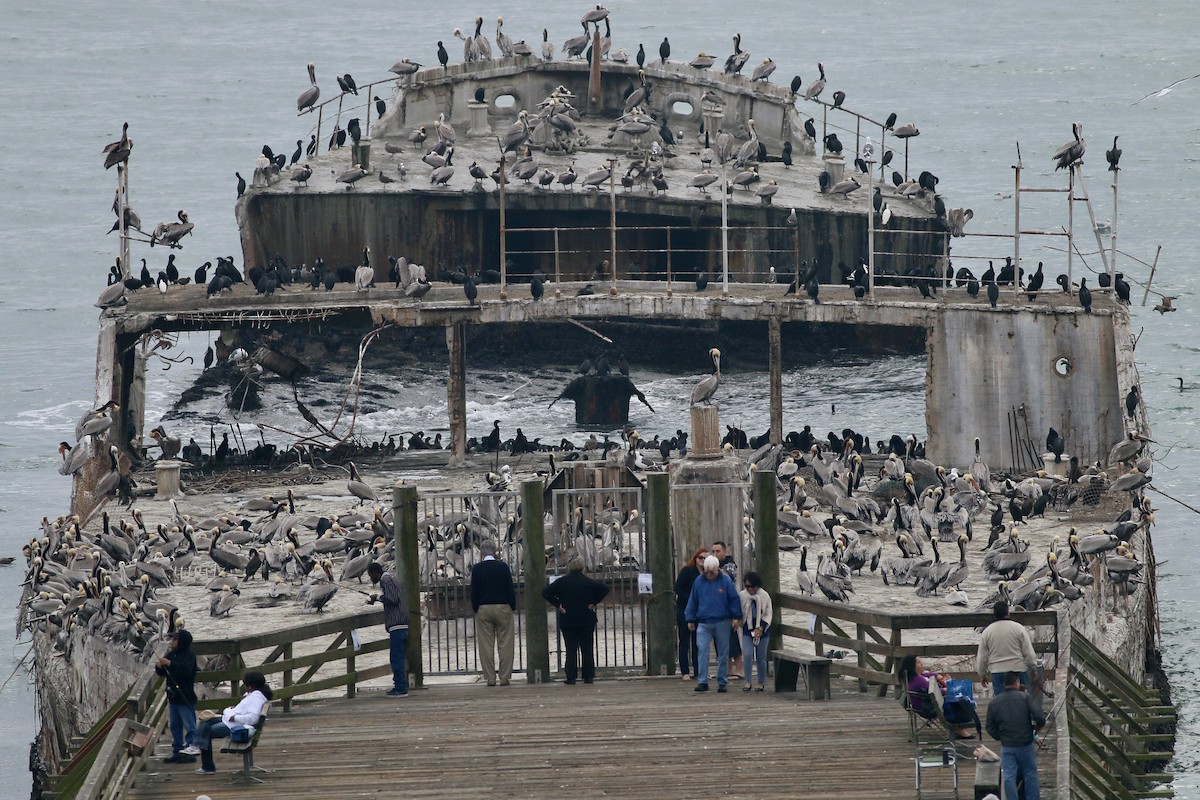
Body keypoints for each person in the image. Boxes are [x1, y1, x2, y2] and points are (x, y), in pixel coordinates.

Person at [542, 557, 611, 684]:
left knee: (571, 648)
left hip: (568, 618)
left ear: (569, 569)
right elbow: (605, 589)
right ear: (582, 568)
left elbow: (546, 592)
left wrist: (558, 604)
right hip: (586, 618)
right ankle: (588, 676)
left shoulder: (562, 582)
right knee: (587, 648)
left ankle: (571, 676)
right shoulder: (588, 581)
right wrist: (593, 602)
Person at [193, 671, 273, 776]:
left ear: (249, 686)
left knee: (206, 731)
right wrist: (235, 709)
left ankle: (207, 766)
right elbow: (247, 709)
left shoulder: (256, 698)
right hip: (231, 721)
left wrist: (235, 716)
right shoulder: (255, 695)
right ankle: (195, 745)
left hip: (235, 726)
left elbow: (253, 718)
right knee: (205, 722)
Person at [685, 555, 742, 693]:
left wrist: (736, 617)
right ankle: (702, 681)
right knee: (702, 650)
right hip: (703, 622)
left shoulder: (726, 581)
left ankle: (722, 681)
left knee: (723, 653)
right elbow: (693, 600)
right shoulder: (699, 581)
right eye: (707, 571)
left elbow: (733, 599)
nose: (710, 574)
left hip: (722, 621)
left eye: (712, 571)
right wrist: (690, 619)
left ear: (717, 568)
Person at [986, 670, 1046, 800]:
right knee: (1030, 775)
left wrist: (1001, 737)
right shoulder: (1025, 697)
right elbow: (1040, 718)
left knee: (1009, 777)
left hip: (1007, 747)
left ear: (1004, 684)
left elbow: (989, 727)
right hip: (1026, 745)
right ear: (1017, 682)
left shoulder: (994, 702)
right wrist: (1034, 731)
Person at [898, 654, 979, 739]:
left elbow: (928, 674)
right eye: (918, 663)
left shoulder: (914, 677)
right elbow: (933, 693)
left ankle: (959, 728)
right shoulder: (919, 680)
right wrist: (946, 689)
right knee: (956, 701)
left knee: (956, 699)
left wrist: (938, 676)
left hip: (924, 705)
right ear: (912, 666)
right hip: (928, 708)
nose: (922, 664)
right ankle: (958, 729)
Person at [470, 540, 517, 687]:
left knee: (486, 645)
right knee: (506, 644)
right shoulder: (503, 567)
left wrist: (476, 607)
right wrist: (512, 606)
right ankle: (504, 677)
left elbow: (474, 591)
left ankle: (490, 678)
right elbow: (510, 588)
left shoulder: (477, 569)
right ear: (495, 551)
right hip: (503, 606)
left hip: (484, 607)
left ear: (482, 552)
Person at [367, 562, 410, 697]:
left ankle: (400, 688)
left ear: (375, 573)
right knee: (399, 657)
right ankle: (400, 685)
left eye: (370, 575)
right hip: (403, 624)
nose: (370, 578)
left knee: (395, 658)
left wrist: (377, 597)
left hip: (397, 625)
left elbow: (392, 599)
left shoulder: (385, 580)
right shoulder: (391, 577)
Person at [156, 629, 198, 762]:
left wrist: (170, 664)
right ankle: (177, 750)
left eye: (175, 639)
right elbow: (164, 673)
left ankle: (192, 748)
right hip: (173, 696)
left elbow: (186, 671)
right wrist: (159, 666)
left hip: (185, 696)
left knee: (189, 725)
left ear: (181, 641)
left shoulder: (189, 655)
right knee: (175, 725)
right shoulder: (172, 654)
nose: (172, 641)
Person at [977, 601, 1037, 694]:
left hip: (998, 672)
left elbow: (982, 657)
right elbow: (1028, 651)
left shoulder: (987, 631)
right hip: (1018, 670)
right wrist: (1033, 667)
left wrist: (982, 674)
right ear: (1007, 612)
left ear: (994, 614)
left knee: (1001, 702)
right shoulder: (1019, 628)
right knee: (1021, 699)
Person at [673, 547, 708, 681]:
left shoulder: (707, 573)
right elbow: (677, 587)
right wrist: (690, 599)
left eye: (705, 558)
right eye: (700, 558)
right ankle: (685, 671)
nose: (702, 561)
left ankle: (698, 671)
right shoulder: (688, 571)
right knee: (684, 641)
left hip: (700, 612)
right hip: (684, 610)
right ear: (695, 558)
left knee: (698, 643)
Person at [711, 540, 743, 678]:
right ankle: (728, 670)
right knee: (721, 641)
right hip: (717, 608)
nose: (715, 554)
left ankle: (740, 669)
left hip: (729, 607)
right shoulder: (714, 566)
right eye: (713, 551)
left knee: (732, 639)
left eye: (718, 551)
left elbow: (729, 577)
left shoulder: (729, 564)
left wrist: (714, 569)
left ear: (724, 552)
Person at [738, 572, 772, 692]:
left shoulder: (765, 596)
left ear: (758, 586)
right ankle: (747, 681)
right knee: (747, 654)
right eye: (747, 586)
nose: (750, 589)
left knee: (761, 657)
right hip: (747, 628)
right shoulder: (742, 596)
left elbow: (768, 614)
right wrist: (736, 620)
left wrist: (761, 628)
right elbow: (738, 610)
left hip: (763, 629)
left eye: (753, 587)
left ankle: (760, 682)